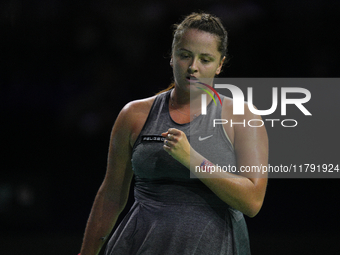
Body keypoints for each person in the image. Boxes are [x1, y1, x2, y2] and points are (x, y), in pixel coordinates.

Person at [79, 12, 268, 255]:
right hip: (140, 244)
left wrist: (193, 160)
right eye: (185, 55)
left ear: (220, 64)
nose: (193, 67)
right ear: (172, 56)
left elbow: (252, 202)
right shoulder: (133, 115)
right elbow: (111, 195)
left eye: (206, 59)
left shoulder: (243, 117)